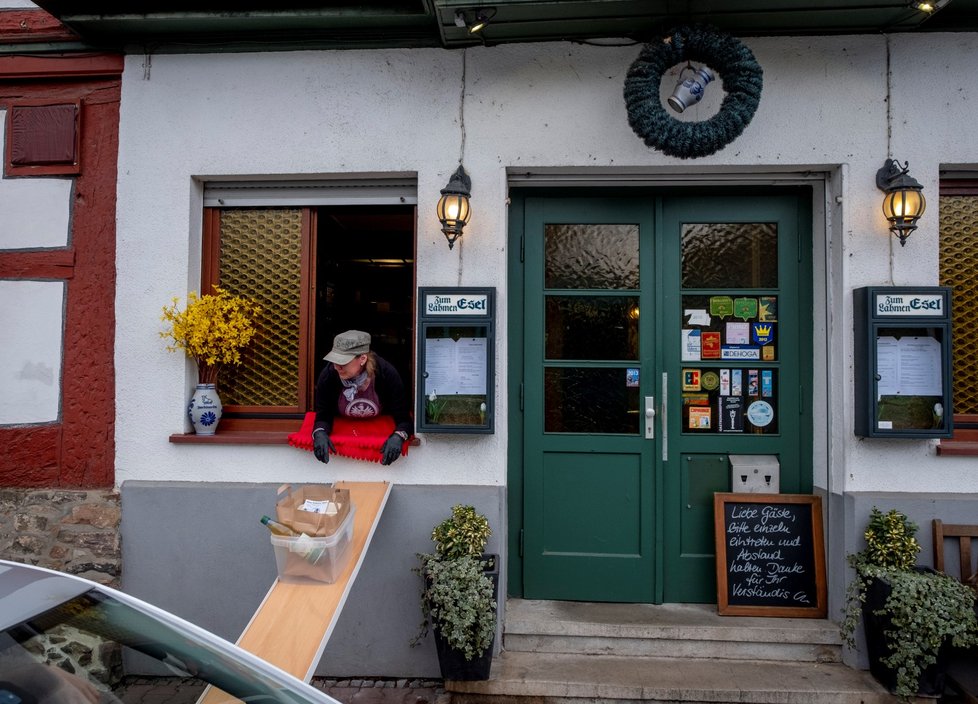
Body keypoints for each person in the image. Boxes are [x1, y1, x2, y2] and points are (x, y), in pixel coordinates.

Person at [312, 330, 412, 466]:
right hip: (346, 434)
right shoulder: (329, 375)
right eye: (334, 361)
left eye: (343, 362)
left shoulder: (386, 374)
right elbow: (323, 415)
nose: (337, 367)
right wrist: (320, 432)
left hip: (377, 432)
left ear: (363, 359)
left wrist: (399, 436)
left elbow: (404, 418)